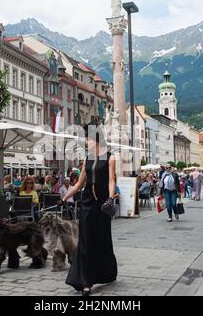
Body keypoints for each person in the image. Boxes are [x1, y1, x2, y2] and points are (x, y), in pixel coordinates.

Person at [62, 123, 117, 296]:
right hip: (87, 203)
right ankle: (85, 281)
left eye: (88, 139)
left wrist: (110, 197)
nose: (86, 142)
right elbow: (79, 184)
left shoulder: (110, 157)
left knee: (102, 239)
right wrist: (65, 197)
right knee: (85, 240)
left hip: (102, 204)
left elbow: (111, 180)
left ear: (96, 139)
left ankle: (106, 272)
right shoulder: (87, 158)